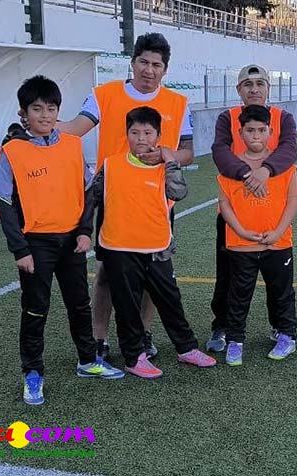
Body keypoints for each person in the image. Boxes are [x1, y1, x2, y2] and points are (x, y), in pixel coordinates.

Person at [57, 32, 194, 361]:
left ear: (165, 69)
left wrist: (166, 154)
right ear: (132, 63)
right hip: (114, 200)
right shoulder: (104, 95)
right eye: (143, 62)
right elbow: (75, 128)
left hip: (157, 203)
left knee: (150, 276)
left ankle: (143, 336)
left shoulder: (178, 103)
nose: (149, 70)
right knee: (106, 273)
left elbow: (188, 152)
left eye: (156, 65)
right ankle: (99, 339)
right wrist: (43, 126)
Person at [0, 75, 114, 406]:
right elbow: (5, 205)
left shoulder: (72, 145)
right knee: (36, 308)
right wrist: (20, 250)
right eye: (37, 109)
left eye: (51, 108)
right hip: (36, 245)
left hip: (72, 241)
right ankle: (33, 373)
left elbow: (87, 192)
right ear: (23, 113)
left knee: (79, 303)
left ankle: (87, 360)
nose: (45, 115)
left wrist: (85, 231)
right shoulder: (11, 152)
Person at [94, 106, 216, 379]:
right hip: (119, 248)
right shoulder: (111, 164)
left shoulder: (164, 167)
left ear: (158, 136)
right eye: (135, 132)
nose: (141, 138)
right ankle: (133, 357)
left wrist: (169, 159)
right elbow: (94, 197)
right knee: (127, 305)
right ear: (126, 134)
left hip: (157, 246)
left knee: (170, 298)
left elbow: (178, 192)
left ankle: (186, 348)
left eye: (148, 133)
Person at [206, 64, 297, 353]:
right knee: (228, 277)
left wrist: (266, 170)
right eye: (248, 84)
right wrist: (248, 174)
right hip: (235, 215)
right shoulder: (228, 117)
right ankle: (222, 326)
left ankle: (280, 327)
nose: (254, 89)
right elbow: (220, 152)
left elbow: (290, 149)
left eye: (260, 83)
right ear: (239, 90)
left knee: (278, 280)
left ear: (268, 88)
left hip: (273, 214)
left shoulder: (283, 118)